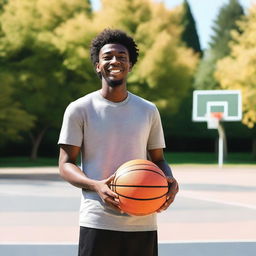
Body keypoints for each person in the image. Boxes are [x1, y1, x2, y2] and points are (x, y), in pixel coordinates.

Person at [58, 28, 179, 256]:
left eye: (122, 57)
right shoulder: (79, 109)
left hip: (143, 218)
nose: (115, 61)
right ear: (97, 65)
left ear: (130, 65)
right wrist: (96, 185)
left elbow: (159, 160)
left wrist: (169, 181)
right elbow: (65, 164)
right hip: (97, 219)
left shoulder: (148, 110)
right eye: (108, 57)